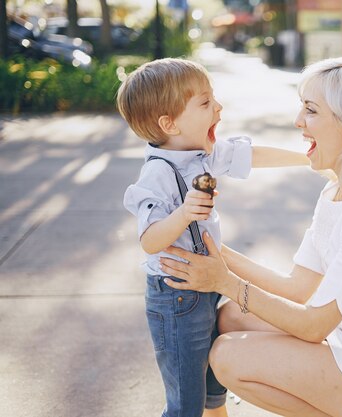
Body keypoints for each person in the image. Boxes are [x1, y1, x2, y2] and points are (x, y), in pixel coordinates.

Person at [159, 56, 342, 417]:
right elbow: (296, 287)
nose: (298, 121)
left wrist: (225, 281)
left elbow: (313, 326)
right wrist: (215, 254)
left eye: (310, 110)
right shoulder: (337, 192)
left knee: (227, 355)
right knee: (229, 317)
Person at [117, 57, 308, 417]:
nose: (218, 107)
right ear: (168, 124)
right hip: (175, 298)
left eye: (213, 98)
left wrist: (312, 161)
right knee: (185, 403)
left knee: (212, 388)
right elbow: (149, 240)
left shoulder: (199, 153)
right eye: (205, 103)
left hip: (206, 287)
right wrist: (184, 213)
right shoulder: (158, 174)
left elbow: (252, 155)